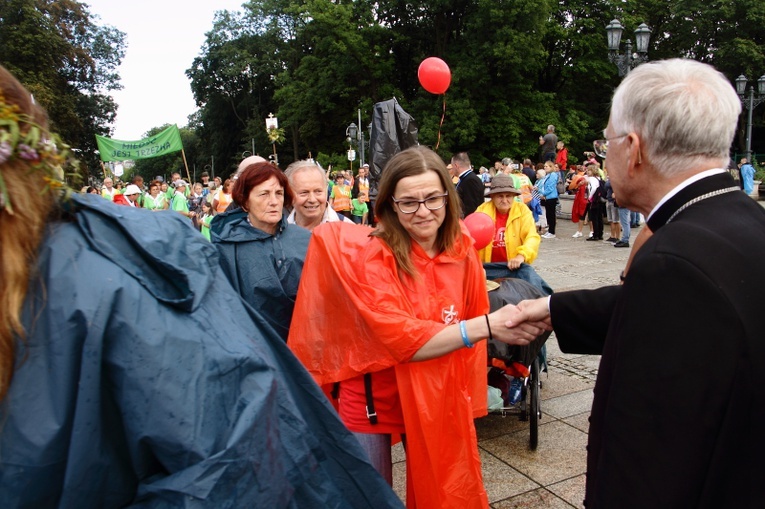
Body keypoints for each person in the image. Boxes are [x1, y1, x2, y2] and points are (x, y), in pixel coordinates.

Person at [0, 63, 403, 508]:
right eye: (266, 193)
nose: (283, 200)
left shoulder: (319, 237)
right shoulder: (219, 244)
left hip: (303, 361)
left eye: (280, 193)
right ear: (243, 198)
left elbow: (211, 435)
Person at [512, 59, 765, 507]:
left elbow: (646, 456)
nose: (605, 153)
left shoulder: (671, 261)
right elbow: (677, 316)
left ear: (634, 148)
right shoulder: (740, 219)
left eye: (605, 140)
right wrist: (552, 310)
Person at [288, 146, 545, 508]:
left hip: (436, 395)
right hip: (375, 399)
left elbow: (470, 318)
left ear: (447, 198)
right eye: (409, 202)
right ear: (391, 204)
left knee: (446, 494)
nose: (423, 211)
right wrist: (486, 326)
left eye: (432, 199)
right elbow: (400, 337)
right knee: (367, 498)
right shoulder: (373, 257)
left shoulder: (462, 251)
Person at [211, 162, 310, 342]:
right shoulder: (226, 247)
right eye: (264, 194)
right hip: (253, 348)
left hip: (303, 346)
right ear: (245, 201)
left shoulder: (305, 239)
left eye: (278, 193)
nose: (273, 201)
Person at [475, 173, 540, 270]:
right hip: (487, 268)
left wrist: (521, 256)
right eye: (500, 196)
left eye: (508, 196)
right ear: (492, 196)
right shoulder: (482, 210)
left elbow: (532, 237)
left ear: (514, 196)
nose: (505, 200)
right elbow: (470, 238)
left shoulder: (522, 210)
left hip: (514, 268)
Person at [285, 159, 353, 231]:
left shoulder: (348, 230)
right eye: (304, 192)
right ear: (289, 195)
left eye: (318, 191)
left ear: (326, 191)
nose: (312, 199)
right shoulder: (278, 234)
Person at [450, 151, 484, 216]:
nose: (452, 169)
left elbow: (471, 207)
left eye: (452, 166)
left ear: (456, 165)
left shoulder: (470, 180)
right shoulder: (466, 178)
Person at [538, 160, 559, 238]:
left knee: (551, 215)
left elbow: (550, 187)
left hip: (551, 197)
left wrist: (543, 194)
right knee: (548, 214)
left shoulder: (553, 175)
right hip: (547, 197)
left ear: (551, 167)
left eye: (547, 166)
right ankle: (550, 230)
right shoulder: (548, 175)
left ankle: (552, 232)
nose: (545, 167)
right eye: (544, 166)